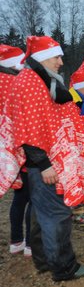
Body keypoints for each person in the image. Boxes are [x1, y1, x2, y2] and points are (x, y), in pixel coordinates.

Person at [5, 36, 84, 281]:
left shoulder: (39, 80)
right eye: (57, 56)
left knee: (39, 213)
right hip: (43, 164)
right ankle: (65, 268)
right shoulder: (31, 83)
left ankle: (43, 260)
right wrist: (44, 164)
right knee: (58, 215)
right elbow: (28, 129)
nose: (61, 62)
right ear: (44, 58)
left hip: (42, 162)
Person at [0, 44, 31, 257]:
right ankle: (31, 244)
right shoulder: (17, 84)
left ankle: (16, 240)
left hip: (7, 151)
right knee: (33, 197)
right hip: (25, 147)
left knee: (19, 197)